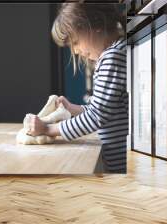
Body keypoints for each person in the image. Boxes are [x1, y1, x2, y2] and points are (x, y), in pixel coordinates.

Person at [27, 3, 128, 173]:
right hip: (117, 158)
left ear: (93, 26)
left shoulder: (113, 56)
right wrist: (72, 108)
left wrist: (48, 129)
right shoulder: (116, 52)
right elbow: (105, 109)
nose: (74, 51)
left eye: (75, 42)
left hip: (119, 161)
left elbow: (97, 116)